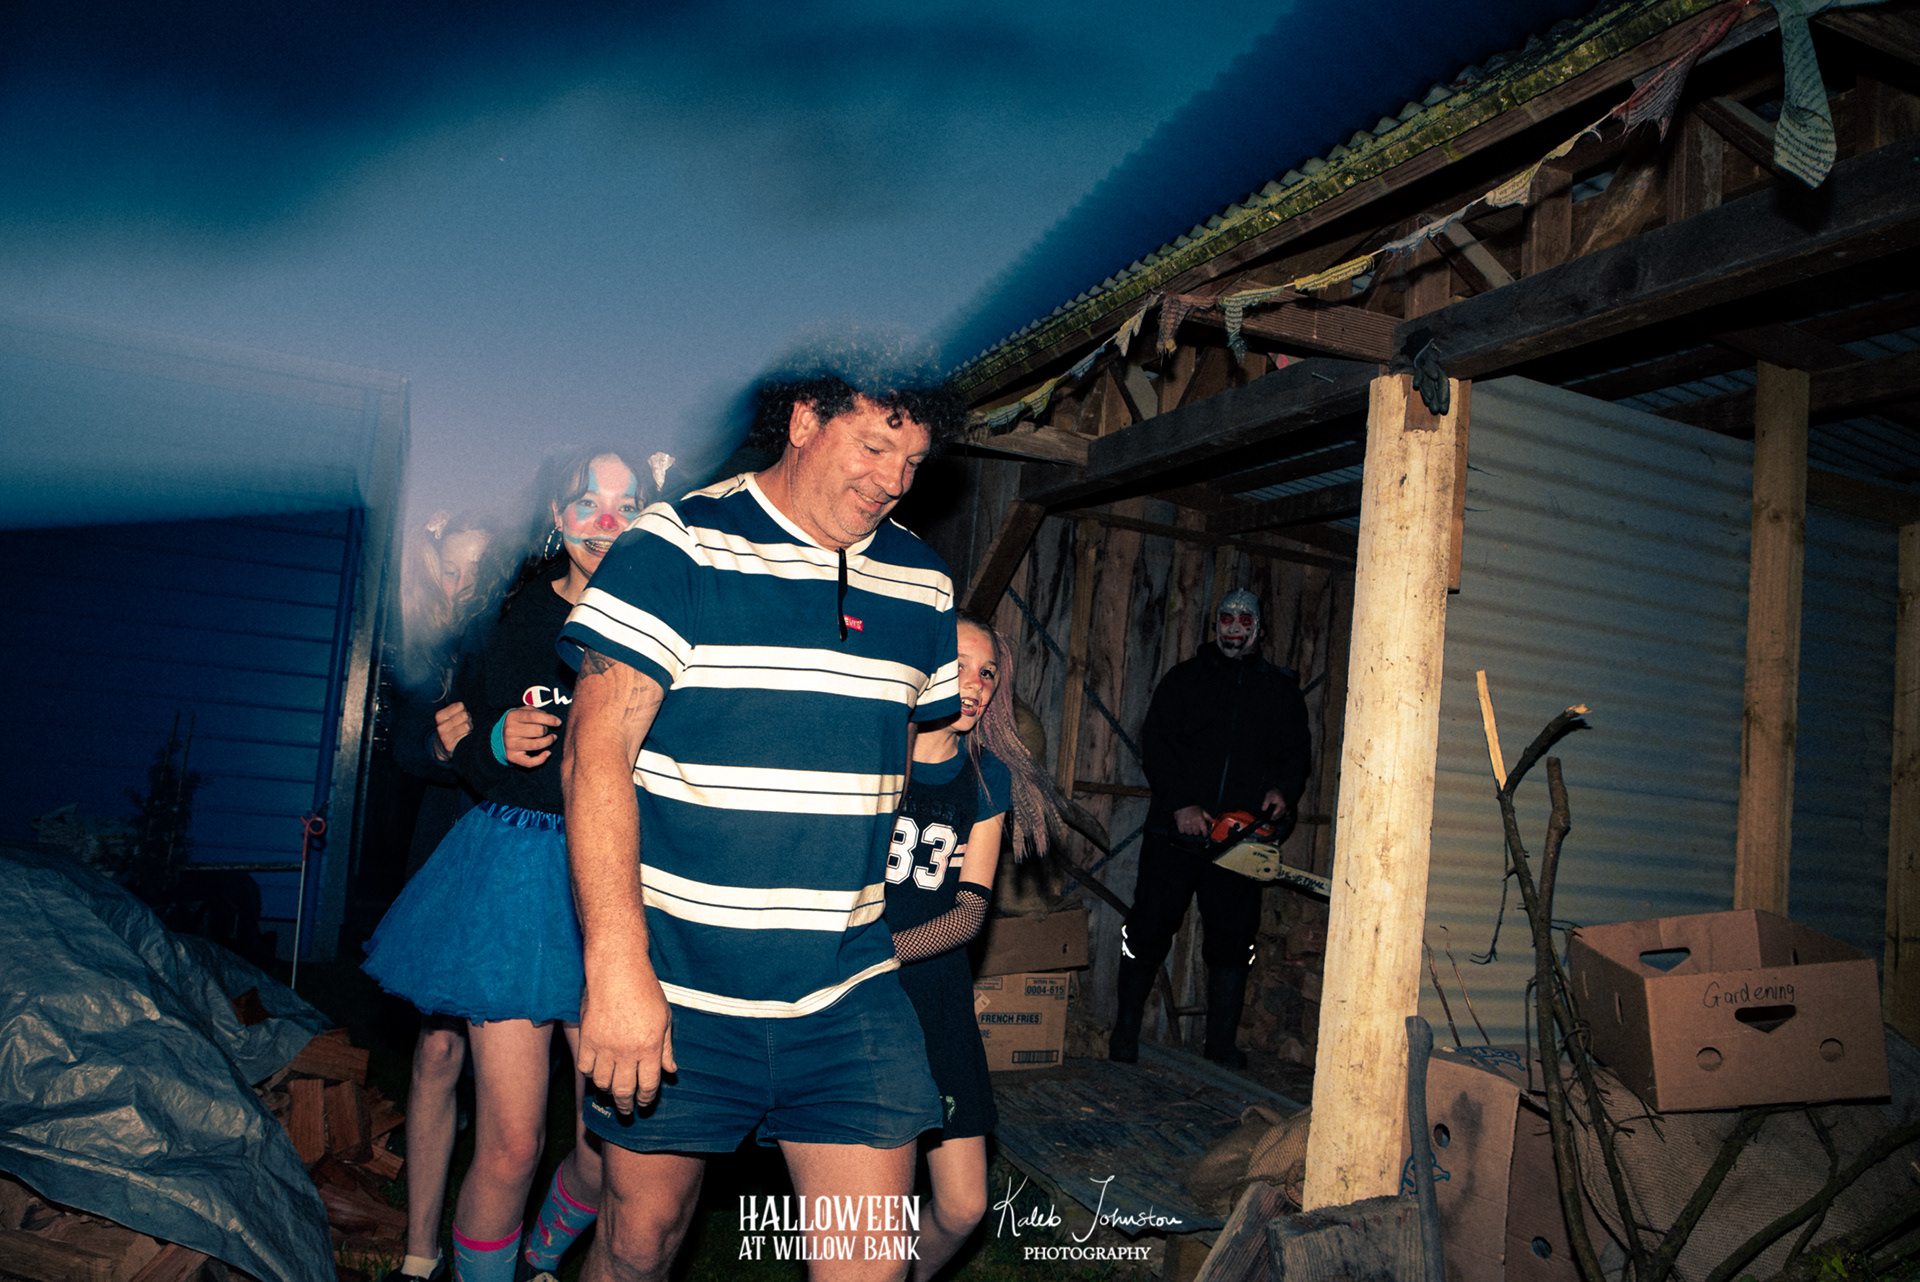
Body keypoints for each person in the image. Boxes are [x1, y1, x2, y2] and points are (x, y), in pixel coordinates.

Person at [558, 364, 968, 1282]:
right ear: (804, 420)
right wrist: (616, 967)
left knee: (871, 1265)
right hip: (680, 985)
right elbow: (593, 755)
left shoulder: (924, 584)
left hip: (846, 989)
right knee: (638, 1247)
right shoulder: (677, 545)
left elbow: (919, 761)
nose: (894, 481)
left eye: (913, 461)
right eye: (875, 447)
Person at [366, 449, 651, 1282]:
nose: (606, 521)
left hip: (617, 884)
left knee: (607, 1152)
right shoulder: (510, 618)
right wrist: (490, 741)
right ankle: (439, 1258)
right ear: (558, 515)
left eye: (626, 505)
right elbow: (451, 739)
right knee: (512, 1144)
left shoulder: (660, 618)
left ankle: (540, 1254)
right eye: (587, 503)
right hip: (517, 879)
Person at [885, 610, 1057, 1279]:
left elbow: (968, 914)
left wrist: (884, 949)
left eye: (988, 673)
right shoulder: (877, 755)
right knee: (876, 1208)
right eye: (959, 665)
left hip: (937, 995)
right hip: (861, 1001)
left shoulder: (988, 778)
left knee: (962, 1207)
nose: (976, 685)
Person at [1109, 588, 1313, 1068]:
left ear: (1259, 630)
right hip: (1176, 835)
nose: (1234, 629)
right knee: (1148, 928)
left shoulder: (1281, 693)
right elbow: (1157, 745)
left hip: (1241, 841)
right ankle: (1124, 1035)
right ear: (1215, 624)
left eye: (1245, 621)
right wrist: (1180, 804)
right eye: (1226, 619)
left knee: (1234, 940)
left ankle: (1220, 1046)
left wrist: (1282, 791)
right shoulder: (1184, 681)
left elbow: (1296, 756)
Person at [382, 510, 500, 1282]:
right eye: (447, 570)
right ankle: (419, 1255)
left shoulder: (520, 634)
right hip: (448, 854)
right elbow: (406, 745)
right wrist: (439, 744)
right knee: (437, 1048)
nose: (459, 587)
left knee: (508, 1072)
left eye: (474, 573)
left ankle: (505, 1242)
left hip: (527, 857)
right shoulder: (429, 647)